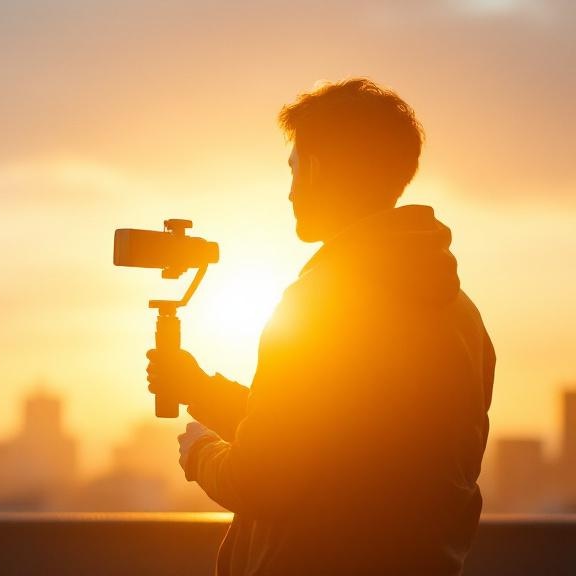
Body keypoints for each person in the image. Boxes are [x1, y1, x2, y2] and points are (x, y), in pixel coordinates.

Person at [146, 78, 495, 576]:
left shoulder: (319, 303)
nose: (289, 192)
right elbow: (338, 444)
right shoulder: (462, 315)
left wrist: (199, 450)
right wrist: (199, 389)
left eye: (293, 169)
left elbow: (262, 479)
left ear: (314, 169)